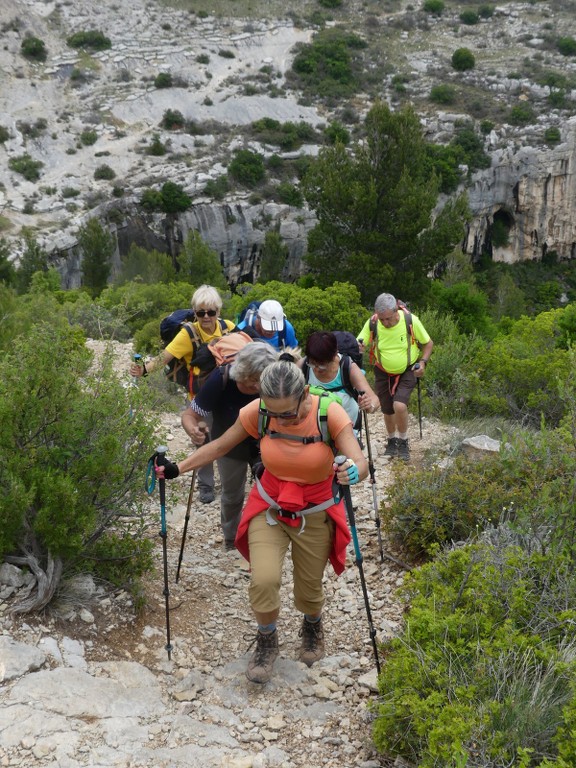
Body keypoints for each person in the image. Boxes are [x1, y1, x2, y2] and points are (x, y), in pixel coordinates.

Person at [155, 356, 367, 684]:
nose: (280, 419)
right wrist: (177, 469)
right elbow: (220, 446)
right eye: (274, 412)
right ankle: (267, 639)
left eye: (288, 412)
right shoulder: (260, 411)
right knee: (263, 579)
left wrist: (352, 471)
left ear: (305, 395)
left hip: (314, 510)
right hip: (269, 506)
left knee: (309, 588)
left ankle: (312, 624)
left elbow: (359, 461)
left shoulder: (329, 413)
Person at [130, 284, 236, 503]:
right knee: (203, 440)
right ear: (194, 312)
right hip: (200, 399)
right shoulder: (187, 334)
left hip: (227, 395)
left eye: (211, 312)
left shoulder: (229, 328)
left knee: (229, 440)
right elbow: (164, 358)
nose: (206, 317)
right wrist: (144, 370)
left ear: (218, 310)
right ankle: (206, 486)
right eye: (200, 312)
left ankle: (230, 483)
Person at [181, 342, 278, 550]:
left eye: (261, 382)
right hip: (227, 444)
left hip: (265, 442)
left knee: (270, 491)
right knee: (232, 494)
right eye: (252, 382)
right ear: (241, 372)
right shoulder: (221, 379)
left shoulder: (273, 380)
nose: (257, 388)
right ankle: (231, 539)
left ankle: (268, 538)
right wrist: (193, 430)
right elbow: (191, 414)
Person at [357, 293, 433, 462]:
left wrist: (423, 362)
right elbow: (361, 341)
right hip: (382, 371)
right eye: (382, 319)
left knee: (399, 405)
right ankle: (392, 440)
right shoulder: (373, 322)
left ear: (396, 310)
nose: (385, 323)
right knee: (387, 408)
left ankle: (403, 441)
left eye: (388, 319)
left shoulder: (410, 320)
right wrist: (359, 346)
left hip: (408, 369)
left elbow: (428, 343)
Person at [302, 331, 380, 436]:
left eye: (322, 365)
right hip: (313, 430)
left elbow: (375, 400)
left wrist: (369, 405)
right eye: (312, 364)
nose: (316, 369)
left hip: (345, 429)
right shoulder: (304, 365)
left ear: (334, 356)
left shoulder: (348, 368)